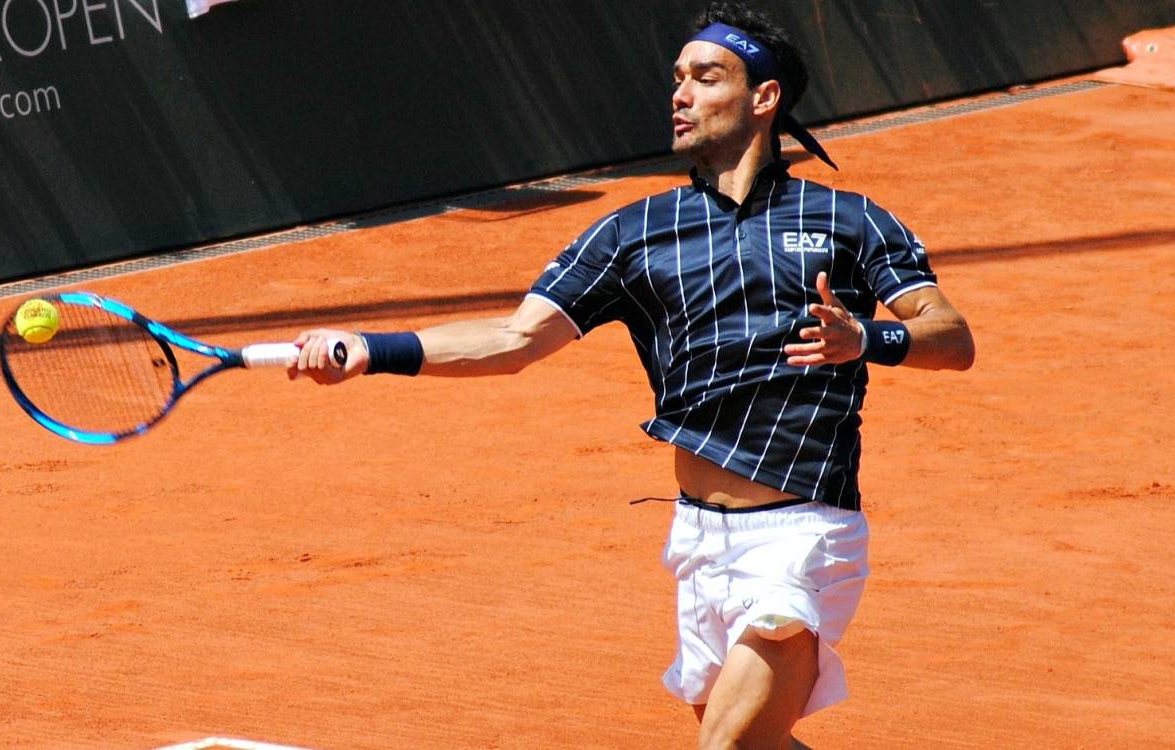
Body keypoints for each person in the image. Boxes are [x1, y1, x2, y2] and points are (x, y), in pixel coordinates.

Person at [290, 3, 975, 747]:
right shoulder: (633, 231)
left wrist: (865, 337)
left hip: (805, 536)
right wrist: (369, 345)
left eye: (706, 78)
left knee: (726, 745)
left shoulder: (849, 220)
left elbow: (951, 336)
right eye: (676, 79)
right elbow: (516, 337)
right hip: (698, 542)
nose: (680, 94)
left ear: (764, 98)